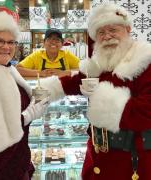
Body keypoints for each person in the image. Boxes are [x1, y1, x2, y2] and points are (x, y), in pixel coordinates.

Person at [37, 3, 151, 180]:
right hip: (97, 156)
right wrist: (44, 90)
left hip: (131, 161)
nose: (107, 37)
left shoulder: (145, 61)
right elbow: (75, 81)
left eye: (113, 29)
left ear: (128, 29)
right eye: (101, 32)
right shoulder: (99, 62)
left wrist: (98, 96)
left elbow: (147, 111)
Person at [0, 11, 49, 180]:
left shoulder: (5, 68)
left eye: (11, 42)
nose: (6, 47)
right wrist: (29, 115)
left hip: (14, 160)